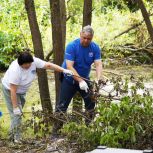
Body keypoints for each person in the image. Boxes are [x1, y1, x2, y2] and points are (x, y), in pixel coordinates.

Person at [1, 51, 73, 143]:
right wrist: (15, 107)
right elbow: (13, 90)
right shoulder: (15, 70)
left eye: (29, 63)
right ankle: (17, 139)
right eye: (25, 65)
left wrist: (64, 70)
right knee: (16, 114)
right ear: (20, 64)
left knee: (17, 114)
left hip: (21, 91)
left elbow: (48, 65)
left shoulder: (34, 61)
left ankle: (11, 135)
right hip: (9, 90)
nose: (28, 66)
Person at [52, 25, 102, 138]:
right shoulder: (72, 46)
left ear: (92, 38)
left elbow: (98, 64)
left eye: (89, 39)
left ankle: (88, 130)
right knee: (62, 105)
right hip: (69, 78)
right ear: (80, 34)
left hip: (84, 78)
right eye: (84, 38)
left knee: (91, 103)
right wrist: (80, 81)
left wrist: (98, 80)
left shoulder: (95, 48)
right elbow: (69, 66)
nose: (86, 40)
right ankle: (55, 133)